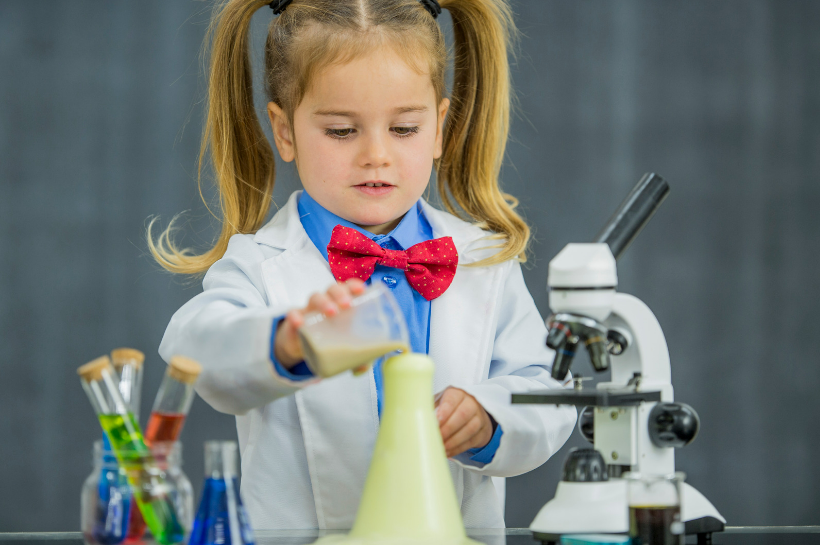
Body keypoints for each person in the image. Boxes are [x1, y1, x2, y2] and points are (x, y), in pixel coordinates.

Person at [150, 0, 575, 530]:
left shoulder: (482, 260)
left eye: (403, 129)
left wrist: (490, 416)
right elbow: (196, 348)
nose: (376, 155)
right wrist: (285, 341)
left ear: (439, 126)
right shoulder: (260, 266)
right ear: (284, 131)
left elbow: (546, 389)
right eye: (341, 131)